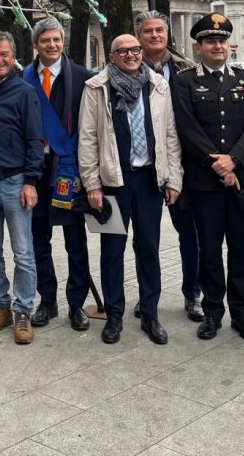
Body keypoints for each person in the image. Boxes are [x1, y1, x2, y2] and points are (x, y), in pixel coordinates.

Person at [78, 33, 182, 345]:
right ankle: (113, 315)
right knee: (112, 251)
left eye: (135, 49)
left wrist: (173, 178)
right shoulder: (96, 88)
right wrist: (92, 184)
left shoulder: (158, 86)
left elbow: (170, 136)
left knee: (149, 247)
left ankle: (150, 312)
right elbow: (87, 139)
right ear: (112, 56)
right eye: (122, 51)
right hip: (111, 183)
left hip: (150, 180)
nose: (131, 55)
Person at [173, 13, 244, 343]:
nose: (218, 45)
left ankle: (242, 314)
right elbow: (187, 128)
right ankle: (213, 312)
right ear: (198, 47)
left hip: (242, 181)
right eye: (211, 41)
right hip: (205, 183)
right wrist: (219, 165)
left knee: (241, 250)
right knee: (209, 251)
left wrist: (234, 161)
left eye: (222, 40)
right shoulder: (185, 81)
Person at [0, 31, 44, 345]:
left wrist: (31, 181)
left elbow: (34, 140)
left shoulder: (24, 92)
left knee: (23, 252)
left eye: (3, 54)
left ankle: (24, 310)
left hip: (15, 181)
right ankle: (0, 305)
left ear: (13, 56)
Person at [22, 17, 94, 331]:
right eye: (46, 40)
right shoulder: (22, 78)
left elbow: (91, 125)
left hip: (69, 172)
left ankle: (76, 304)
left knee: (75, 242)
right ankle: (47, 301)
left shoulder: (82, 77)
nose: (52, 45)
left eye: (57, 40)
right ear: (36, 44)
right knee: (39, 240)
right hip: (36, 172)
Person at [135, 10, 203, 323]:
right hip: (143, 165)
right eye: (148, 31)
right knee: (145, 237)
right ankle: (148, 296)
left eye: (159, 30)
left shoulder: (187, 70)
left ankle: (193, 293)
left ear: (167, 34)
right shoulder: (126, 68)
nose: (154, 36)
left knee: (190, 235)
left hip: (182, 166)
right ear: (140, 36)